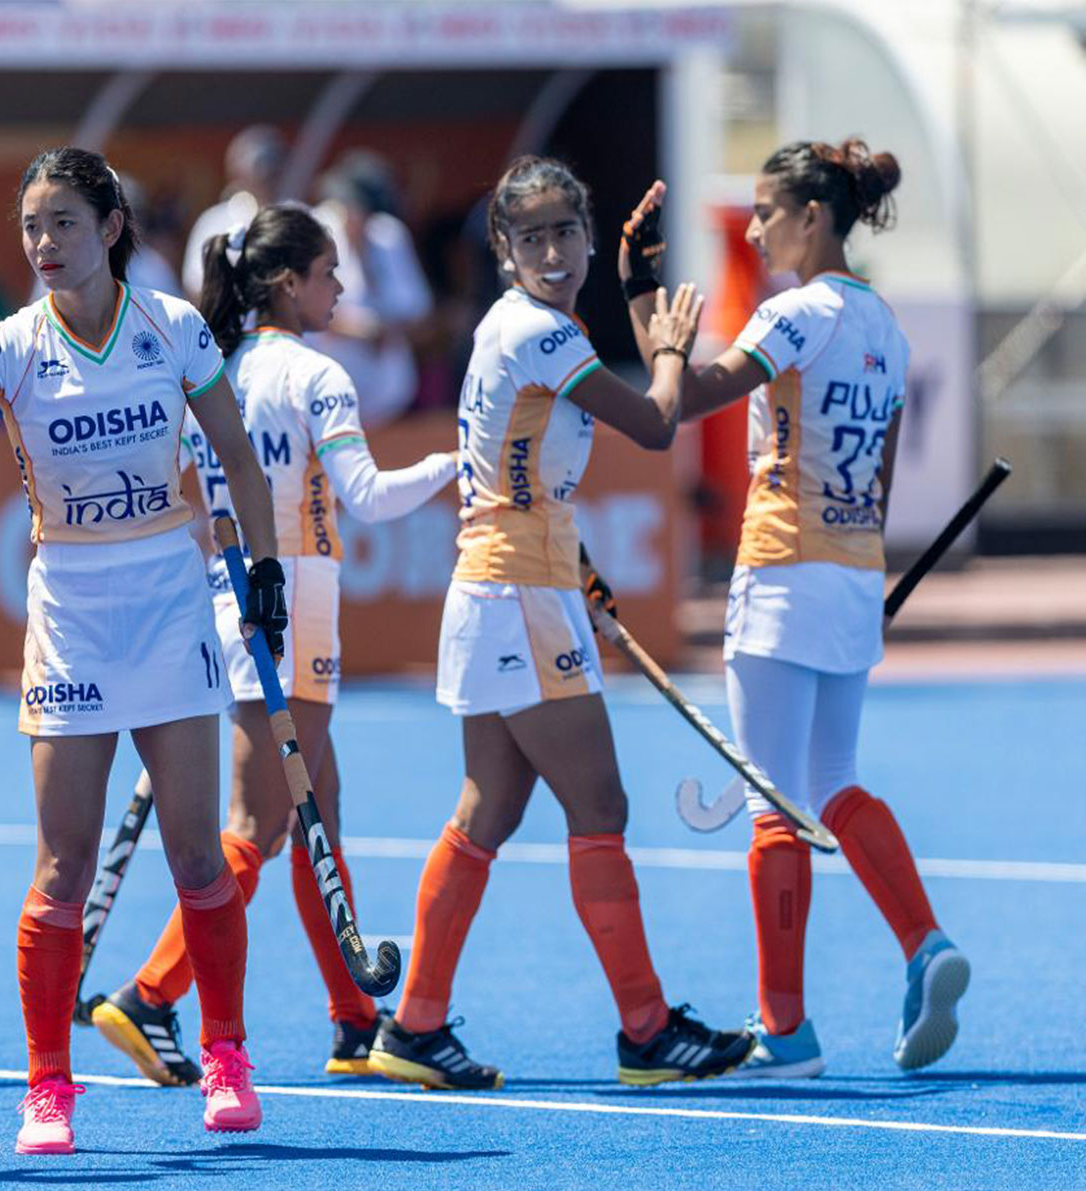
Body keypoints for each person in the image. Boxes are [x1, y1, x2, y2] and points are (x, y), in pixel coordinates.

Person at [0, 147, 285, 1154]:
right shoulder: (10, 344)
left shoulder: (172, 327)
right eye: (31, 227)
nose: (44, 244)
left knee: (197, 850)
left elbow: (234, 450)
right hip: (69, 610)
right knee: (61, 865)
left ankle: (226, 1055)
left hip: (168, 600)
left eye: (63, 222)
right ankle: (48, 1085)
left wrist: (264, 567)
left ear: (109, 228)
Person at [366, 155, 754, 1092]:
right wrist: (663, 336)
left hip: (512, 586)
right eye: (530, 235)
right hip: (517, 595)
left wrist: (630, 292)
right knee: (600, 807)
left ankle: (415, 1024)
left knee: (490, 810)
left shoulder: (536, 326)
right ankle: (647, 1030)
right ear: (503, 250)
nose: (550, 250)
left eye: (565, 232)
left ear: (586, 235)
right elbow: (659, 424)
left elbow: (528, 475)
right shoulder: (538, 332)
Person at [621, 140, 968, 1078]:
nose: (759, 228)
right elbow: (885, 475)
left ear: (813, 217)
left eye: (768, 213)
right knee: (837, 780)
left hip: (779, 570)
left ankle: (786, 1027)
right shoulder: (886, 326)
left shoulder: (795, 313)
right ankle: (926, 943)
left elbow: (684, 399)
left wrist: (642, 302)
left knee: (773, 800)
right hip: (852, 570)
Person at [90, 203, 456, 1083]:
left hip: (234, 601)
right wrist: (458, 465)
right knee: (258, 827)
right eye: (331, 274)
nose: (341, 290)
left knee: (312, 818)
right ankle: (151, 994)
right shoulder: (314, 373)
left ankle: (353, 1019)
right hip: (293, 606)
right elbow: (364, 495)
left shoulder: (216, 371)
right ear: (290, 282)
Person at [309, 151, 433, 428]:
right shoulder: (313, 231)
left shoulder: (389, 234)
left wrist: (390, 330)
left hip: (391, 393)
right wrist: (362, 331)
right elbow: (302, 308)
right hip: (330, 393)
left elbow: (420, 309)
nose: (362, 219)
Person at [181, 125, 289, 299]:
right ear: (237, 172)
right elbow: (196, 287)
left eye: (273, 170)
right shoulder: (215, 221)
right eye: (259, 169)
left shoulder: (300, 218)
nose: (266, 179)